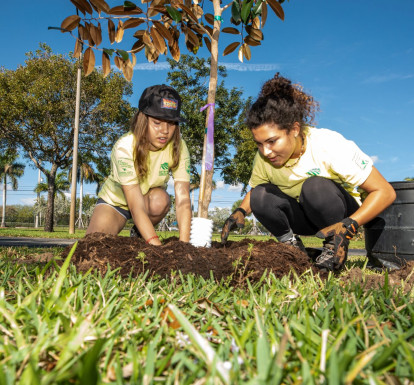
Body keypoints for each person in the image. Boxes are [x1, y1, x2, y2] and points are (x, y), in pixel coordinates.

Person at [221, 73, 396, 271]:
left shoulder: (328, 144)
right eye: (259, 144)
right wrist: (241, 211)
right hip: (304, 217)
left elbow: (385, 192)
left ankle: (334, 246)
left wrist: (350, 225)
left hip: (341, 215)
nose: (266, 151)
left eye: (272, 141)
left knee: (314, 187)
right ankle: (293, 251)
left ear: (294, 129)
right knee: (261, 194)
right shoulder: (263, 157)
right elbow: (256, 192)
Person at [87, 84, 191, 245]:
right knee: (93, 245)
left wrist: (184, 245)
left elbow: (183, 199)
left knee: (161, 199)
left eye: (171, 123)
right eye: (157, 123)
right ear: (143, 119)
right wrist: (157, 247)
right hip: (116, 202)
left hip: (150, 200)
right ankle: (147, 236)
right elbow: (136, 206)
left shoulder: (179, 146)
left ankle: (138, 235)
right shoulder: (125, 147)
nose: (164, 130)